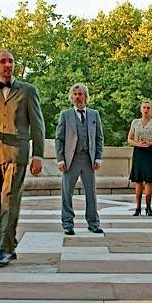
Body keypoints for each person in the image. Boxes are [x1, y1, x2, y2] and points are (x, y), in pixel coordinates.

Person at [0, 49, 45, 266]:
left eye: (11, 61)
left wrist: (38, 155)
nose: (8, 65)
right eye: (3, 61)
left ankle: (4, 248)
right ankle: (8, 245)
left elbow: (38, 125)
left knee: (9, 200)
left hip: (18, 154)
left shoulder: (28, 91)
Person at [55, 83, 104, 235]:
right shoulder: (65, 114)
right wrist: (60, 159)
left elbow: (99, 138)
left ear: (86, 96)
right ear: (72, 97)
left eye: (80, 94)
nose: (77, 97)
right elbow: (59, 138)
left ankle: (93, 223)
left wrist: (99, 158)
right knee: (67, 192)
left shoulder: (94, 114)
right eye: (75, 94)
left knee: (91, 192)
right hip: (71, 159)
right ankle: (68, 224)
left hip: (88, 158)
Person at [128, 100, 152, 216]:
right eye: (144, 107)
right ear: (141, 109)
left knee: (148, 180)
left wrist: (150, 142)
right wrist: (137, 144)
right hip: (138, 151)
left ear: (151, 110)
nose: (146, 110)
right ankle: (137, 207)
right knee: (138, 180)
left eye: (148, 108)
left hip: (149, 151)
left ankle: (148, 207)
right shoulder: (135, 122)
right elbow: (129, 138)